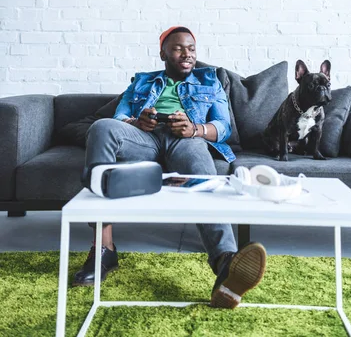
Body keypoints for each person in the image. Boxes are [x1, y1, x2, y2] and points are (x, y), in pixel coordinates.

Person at [73, 26, 267, 308]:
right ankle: (104, 250)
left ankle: (226, 262)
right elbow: (120, 116)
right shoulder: (142, 81)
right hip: (145, 139)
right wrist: (137, 122)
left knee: (202, 174)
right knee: (102, 127)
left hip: (187, 139)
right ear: (163, 53)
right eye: (178, 48)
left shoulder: (210, 81)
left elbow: (223, 127)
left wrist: (195, 129)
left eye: (191, 49)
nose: (187, 54)